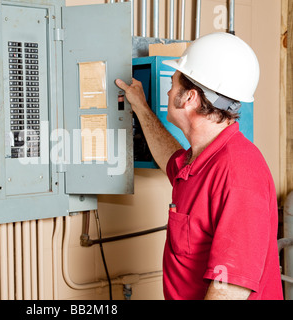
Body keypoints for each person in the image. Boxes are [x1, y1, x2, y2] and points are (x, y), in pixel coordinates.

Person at [116, 32, 283, 300]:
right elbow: (169, 157)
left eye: (173, 84)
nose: (169, 91)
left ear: (190, 97)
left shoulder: (238, 173)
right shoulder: (199, 160)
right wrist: (141, 107)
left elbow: (229, 289)